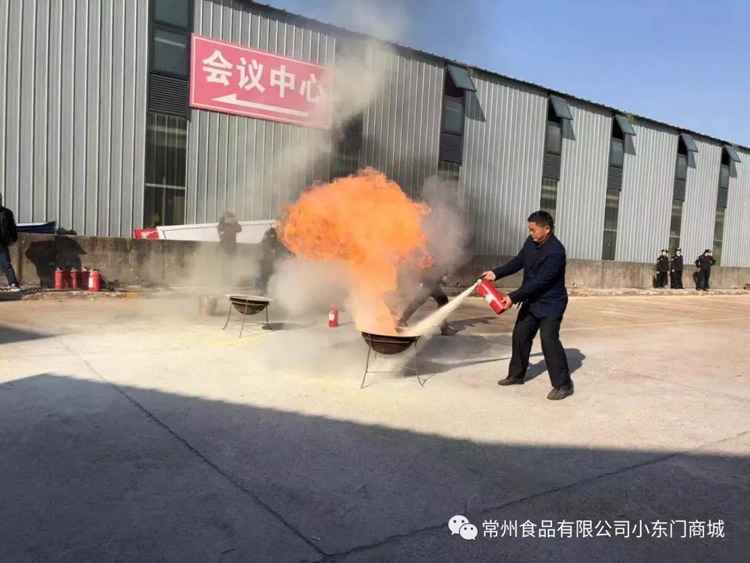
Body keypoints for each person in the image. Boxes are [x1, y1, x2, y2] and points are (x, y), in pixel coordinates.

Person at [482, 210, 573, 401]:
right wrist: (496, 273)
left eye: (533, 229)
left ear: (547, 229)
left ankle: (563, 384)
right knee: (520, 335)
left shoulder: (556, 252)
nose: (530, 233)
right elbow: (518, 261)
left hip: (551, 303)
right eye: (529, 229)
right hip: (531, 301)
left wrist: (513, 297)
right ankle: (516, 375)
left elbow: (540, 281)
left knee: (549, 340)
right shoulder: (531, 243)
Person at [396, 268, 458, 336]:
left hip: (432, 281)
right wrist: (442, 275)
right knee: (418, 301)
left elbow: (440, 265)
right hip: (429, 281)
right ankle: (401, 320)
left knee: (442, 301)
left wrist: (443, 275)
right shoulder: (430, 264)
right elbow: (433, 265)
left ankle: (444, 327)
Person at [0, 194, 22, 292]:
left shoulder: (6, 213)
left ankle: (13, 284)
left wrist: (14, 238)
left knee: (6, 264)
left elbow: (12, 227)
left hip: (1, 244)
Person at [217, 211, 242, 284]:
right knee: (225, 266)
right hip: (225, 249)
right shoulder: (222, 226)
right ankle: (224, 282)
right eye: (231, 217)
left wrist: (235, 222)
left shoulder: (231, 225)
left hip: (231, 248)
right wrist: (225, 252)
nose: (233, 219)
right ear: (227, 218)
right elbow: (224, 239)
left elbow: (239, 229)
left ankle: (228, 281)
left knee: (230, 266)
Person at [259, 227, 284, 291]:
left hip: (273, 260)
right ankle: (265, 290)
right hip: (267, 260)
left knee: (272, 275)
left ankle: (270, 290)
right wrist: (271, 250)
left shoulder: (279, 236)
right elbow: (264, 245)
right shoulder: (269, 234)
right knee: (266, 276)